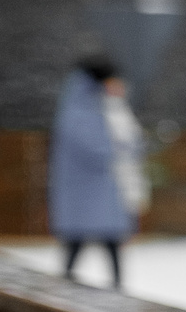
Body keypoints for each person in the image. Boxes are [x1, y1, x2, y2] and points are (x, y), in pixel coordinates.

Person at [48, 55, 142, 287]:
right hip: (87, 191)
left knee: (95, 241)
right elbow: (99, 147)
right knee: (87, 241)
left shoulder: (88, 103)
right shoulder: (82, 107)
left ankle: (110, 285)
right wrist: (121, 147)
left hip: (93, 193)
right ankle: (106, 286)